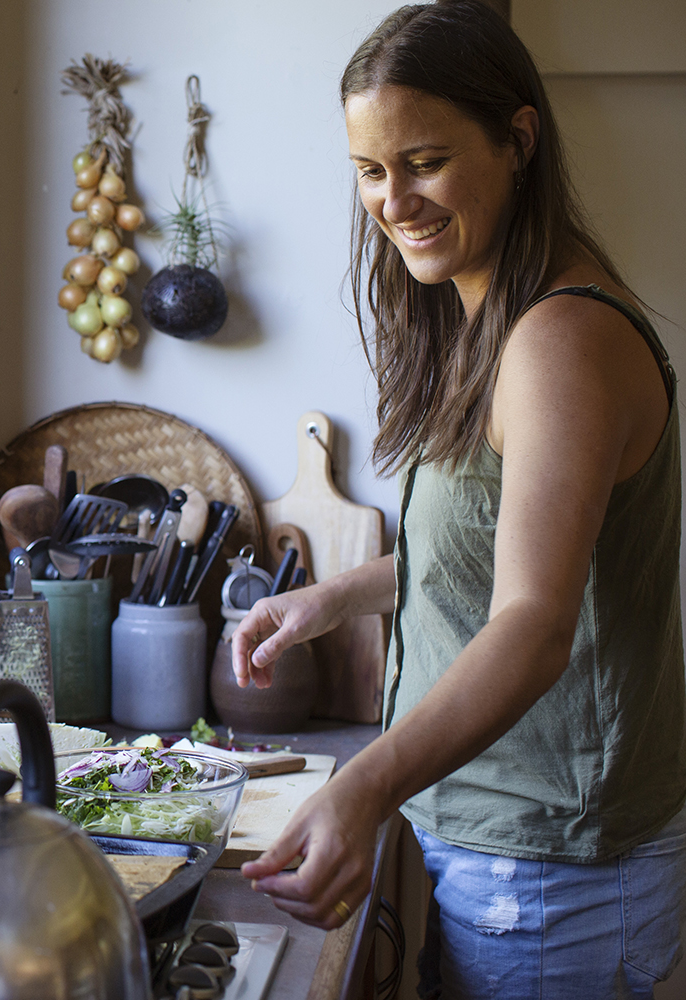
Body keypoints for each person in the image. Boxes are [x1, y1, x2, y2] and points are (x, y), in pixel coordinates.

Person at [230, 2, 686, 996]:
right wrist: (335, 597)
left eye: (424, 160)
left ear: (518, 140)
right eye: (369, 169)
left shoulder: (559, 341)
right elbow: (505, 543)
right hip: (506, 841)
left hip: (554, 866)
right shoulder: (494, 316)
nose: (394, 199)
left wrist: (363, 787)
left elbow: (532, 622)